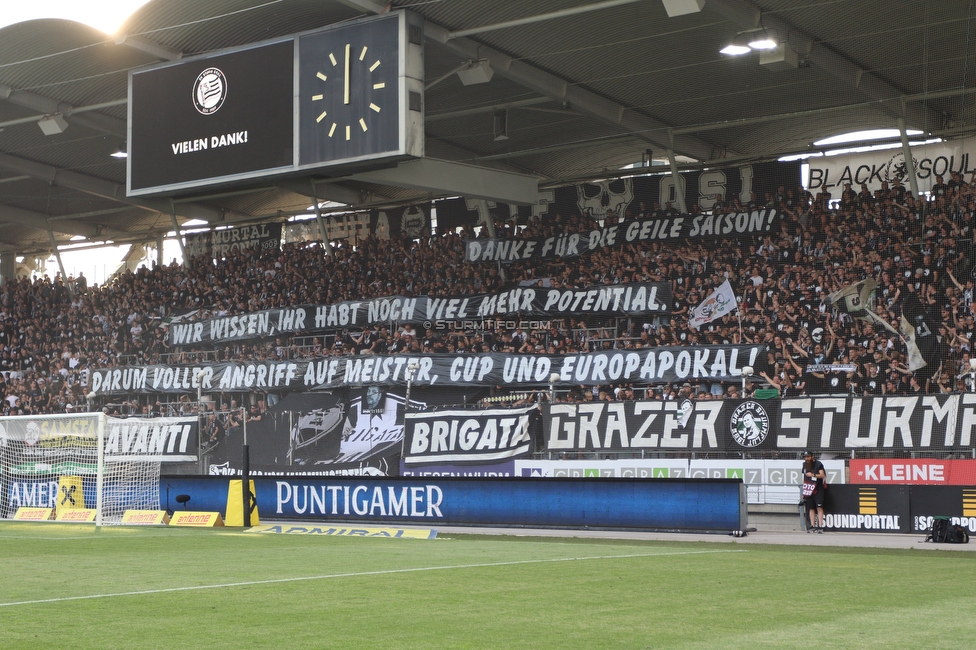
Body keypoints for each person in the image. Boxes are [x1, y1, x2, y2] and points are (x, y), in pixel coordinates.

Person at [801, 450, 826, 533]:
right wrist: (804, 491)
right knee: (811, 508)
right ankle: (812, 526)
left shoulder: (818, 464)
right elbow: (804, 478)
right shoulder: (804, 465)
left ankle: (820, 526)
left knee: (819, 507)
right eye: (805, 457)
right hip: (809, 489)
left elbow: (822, 475)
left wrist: (813, 475)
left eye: (808, 457)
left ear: (812, 456)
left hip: (818, 489)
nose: (806, 459)